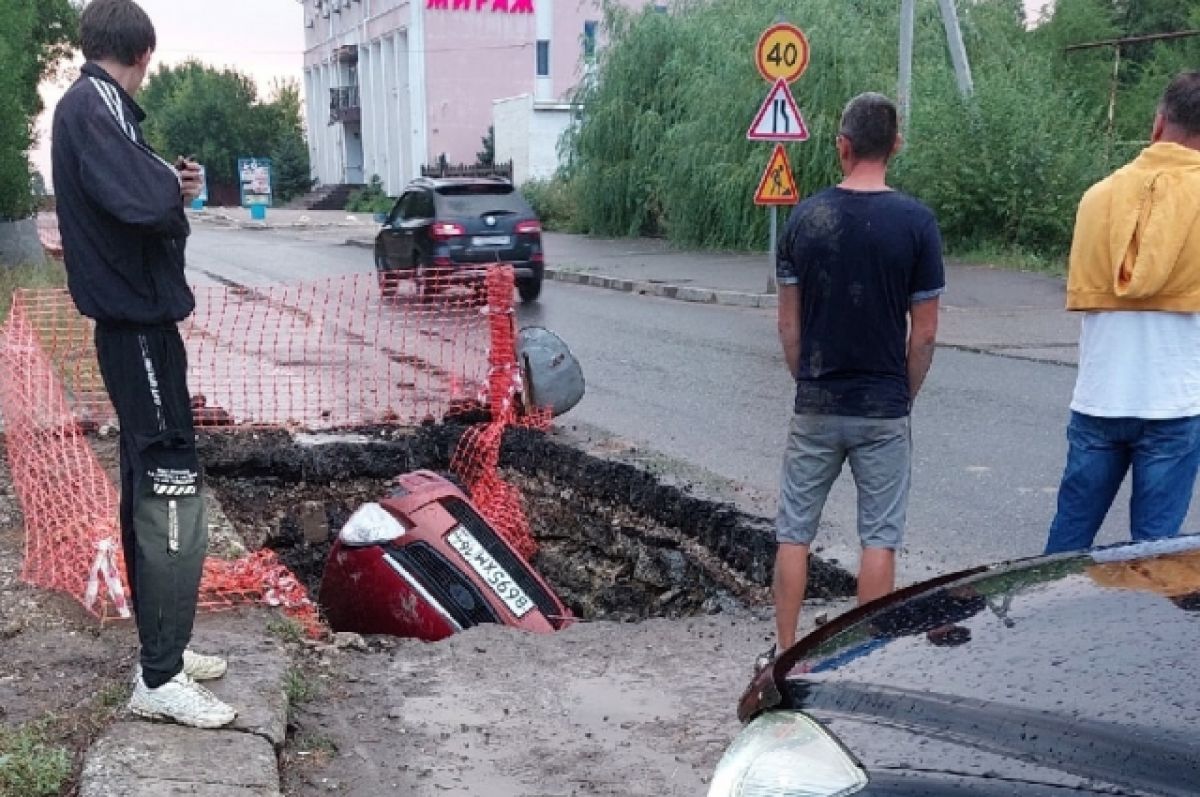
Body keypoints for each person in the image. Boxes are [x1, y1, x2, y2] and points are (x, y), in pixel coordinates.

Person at [52, 0, 236, 728]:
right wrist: (175, 191)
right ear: (143, 55)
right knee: (170, 489)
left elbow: (141, 188)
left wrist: (170, 186)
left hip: (143, 327)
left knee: (153, 484)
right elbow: (140, 198)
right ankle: (160, 677)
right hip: (134, 327)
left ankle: (166, 646)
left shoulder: (102, 111)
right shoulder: (92, 107)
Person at [766, 92, 944, 663]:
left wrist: (807, 380)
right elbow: (925, 335)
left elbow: (788, 327)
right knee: (879, 536)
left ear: (842, 147)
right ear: (895, 146)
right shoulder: (917, 224)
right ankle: (870, 659)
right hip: (884, 405)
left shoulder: (805, 218)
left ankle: (785, 651)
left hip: (817, 400)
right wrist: (903, 393)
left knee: (795, 530)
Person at [1045, 72, 1200, 555]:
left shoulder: (1097, 198)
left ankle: (1042, 625)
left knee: (1066, 547)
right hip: (1174, 402)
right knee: (1153, 558)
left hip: (1099, 397)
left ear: (1158, 124)